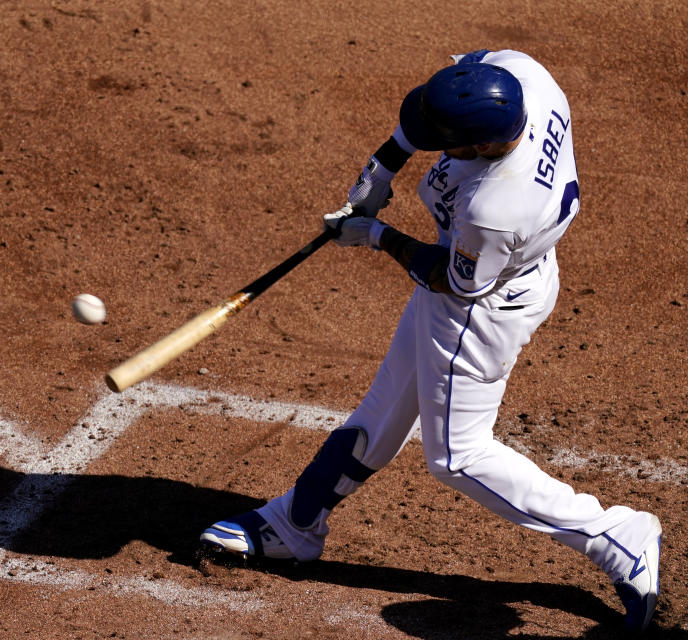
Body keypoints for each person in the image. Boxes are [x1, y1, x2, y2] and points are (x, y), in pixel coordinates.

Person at [200, 49, 661, 633]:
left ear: (483, 147)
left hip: (482, 308)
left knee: (457, 456)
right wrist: (381, 168)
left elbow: (451, 279)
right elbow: (437, 100)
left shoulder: (497, 209)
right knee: (386, 407)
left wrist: (374, 233)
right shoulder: (521, 77)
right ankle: (296, 524)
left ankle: (616, 535)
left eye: (452, 145)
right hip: (497, 276)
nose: (440, 149)